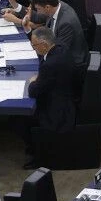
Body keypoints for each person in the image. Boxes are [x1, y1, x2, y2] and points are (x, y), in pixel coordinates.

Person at [25, 27, 76, 167]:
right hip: (66, 97)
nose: (34, 49)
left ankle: (36, 154)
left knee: (18, 121)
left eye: (34, 46)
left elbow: (34, 91)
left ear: (44, 45)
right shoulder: (61, 48)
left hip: (57, 112)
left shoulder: (50, 65)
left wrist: (33, 82)